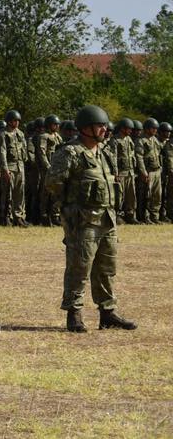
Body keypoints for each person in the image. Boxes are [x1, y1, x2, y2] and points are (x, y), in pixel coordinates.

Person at [46, 105, 136, 333]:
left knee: (107, 268)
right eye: (100, 125)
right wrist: (70, 209)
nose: (105, 129)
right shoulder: (70, 152)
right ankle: (74, 313)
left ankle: (108, 313)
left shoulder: (104, 152)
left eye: (105, 125)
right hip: (83, 222)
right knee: (79, 267)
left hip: (107, 220)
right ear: (85, 128)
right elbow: (53, 183)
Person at [111, 118, 138, 223]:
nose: (131, 131)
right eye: (128, 129)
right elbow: (113, 158)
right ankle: (118, 215)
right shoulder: (115, 140)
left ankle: (130, 215)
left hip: (130, 172)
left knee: (131, 195)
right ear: (122, 129)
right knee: (119, 196)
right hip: (121, 173)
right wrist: (115, 173)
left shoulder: (129, 139)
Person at [135, 119, 162, 224]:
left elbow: (158, 153)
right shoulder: (141, 141)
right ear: (147, 129)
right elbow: (139, 157)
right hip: (148, 171)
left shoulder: (154, 139)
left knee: (157, 196)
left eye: (156, 128)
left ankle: (155, 216)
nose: (155, 130)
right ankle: (145, 217)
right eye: (153, 128)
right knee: (147, 196)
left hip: (157, 171)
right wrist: (143, 172)